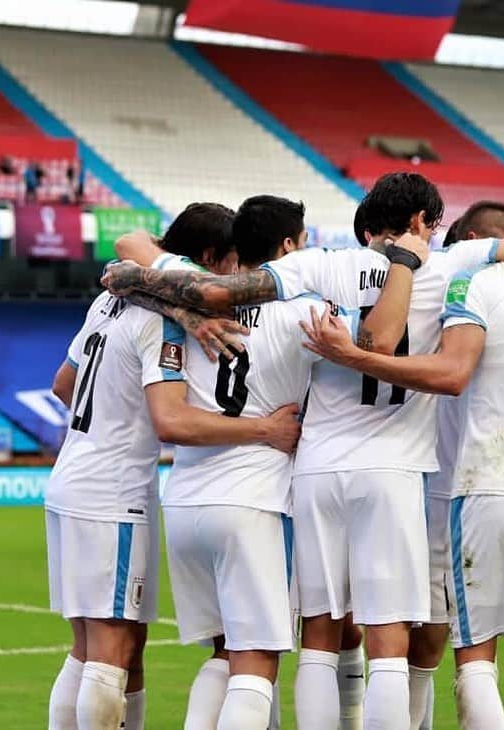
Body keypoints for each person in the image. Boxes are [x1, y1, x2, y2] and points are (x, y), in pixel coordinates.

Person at [103, 172, 504, 730]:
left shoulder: (319, 267)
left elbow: (213, 290)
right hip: (395, 471)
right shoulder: (454, 262)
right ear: (422, 223)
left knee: (320, 635)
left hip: (316, 471)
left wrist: (143, 283)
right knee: (386, 641)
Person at [299, 256, 504, 730]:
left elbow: (452, 373)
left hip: (486, 487)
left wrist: (356, 356)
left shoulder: (476, 283)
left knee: (474, 651)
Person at [45, 204, 299, 730]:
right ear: (207, 258)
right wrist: (264, 430)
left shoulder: (108, 301)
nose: (230, 278)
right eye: (227, 263)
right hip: (115, 490)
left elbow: (64, 385)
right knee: (111, 650)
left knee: (100, 644)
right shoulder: (163, 318)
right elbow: (170, 421)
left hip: (72, 476)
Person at [155, 195, 359, 730]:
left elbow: (129, 259)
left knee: (223, 653)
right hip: (254, 499)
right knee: (256, 661)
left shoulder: (194, 306)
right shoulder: (305, 312)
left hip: (184, 498)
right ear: (290, 246)